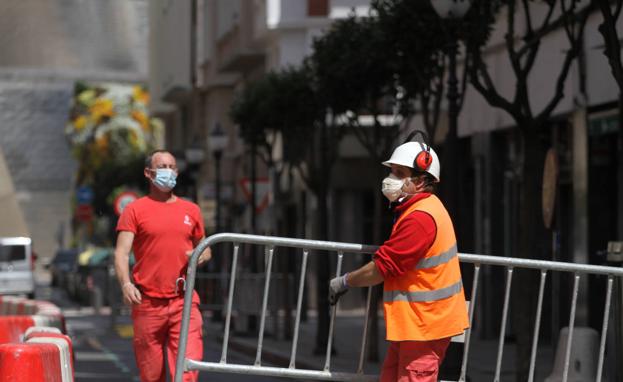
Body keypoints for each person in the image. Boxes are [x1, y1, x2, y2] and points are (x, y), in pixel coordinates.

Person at [329, 136, 469, 382]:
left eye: (400, 173)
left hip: (425, 327)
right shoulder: (417, 210)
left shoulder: (420, 218)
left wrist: (344, 281)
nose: (391, 179)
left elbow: (382, 268)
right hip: (416, 325)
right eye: (392, 171)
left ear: (421, 180)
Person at [114, 150, 212, 382]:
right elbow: (121, 252)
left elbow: (206, 247)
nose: (168, 171)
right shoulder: (134, 210)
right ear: (149, 173)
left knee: (187, 372)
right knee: (151, 376)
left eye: (172, 167)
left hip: (184, 301)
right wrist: (126, 284)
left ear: (177, 172)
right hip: (147, 303)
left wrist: (201, 255)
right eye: (162, 167)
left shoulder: (192, 210)